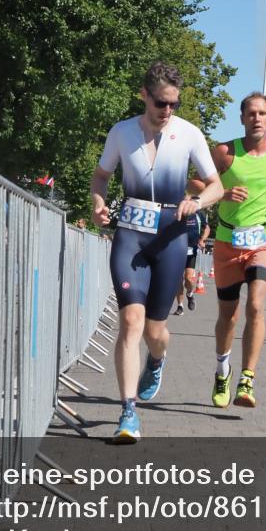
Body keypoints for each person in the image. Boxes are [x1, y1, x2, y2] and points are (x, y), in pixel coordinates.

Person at [90, 62, 223, 442]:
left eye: (174, 104)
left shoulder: (189, 134)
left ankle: (158, 358)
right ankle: (128, 413)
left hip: (171, 237)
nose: (167, 111)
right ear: (144, 95)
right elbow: (101, 175)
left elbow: (215, 185)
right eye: (161, 103)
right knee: (131, 322)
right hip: (131, 234)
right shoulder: (122, 132)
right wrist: (98, 204)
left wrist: (197, 202)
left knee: (154, 331)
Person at [199, 92, 266, 408]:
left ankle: (247, 379)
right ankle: (222, 371)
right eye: (251, 113)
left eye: (262, 113)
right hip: (228, 242)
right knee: (228, 316)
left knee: (256, 305)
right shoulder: (225, 153)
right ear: (242, 118)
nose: (257, 118)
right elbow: (196, 185)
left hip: (263, 241)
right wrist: (222, 193)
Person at [173, 208, 210, 315]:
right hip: (178, 250)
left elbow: (207, 228)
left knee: (188, 278)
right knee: (178, 280)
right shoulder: (177, 211)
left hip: (191, 250)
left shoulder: (198, 213)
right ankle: (180, 306)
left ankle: (190, 294)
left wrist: (202, 239)